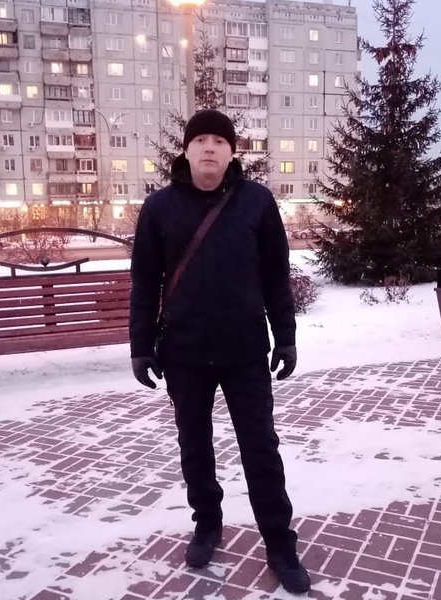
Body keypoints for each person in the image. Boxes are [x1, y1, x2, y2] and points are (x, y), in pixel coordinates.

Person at [129, 109, 310, 595]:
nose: (210, 147)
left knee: (260, 448)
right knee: (195, 446)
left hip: (244, 349)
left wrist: (286, 335)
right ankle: (207, 523)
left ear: (232, 152)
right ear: (187, 150)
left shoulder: (257, 202)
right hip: (184, 352)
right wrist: (140, 346)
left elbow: (276, 274)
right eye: (201, 139)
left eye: (220, 140)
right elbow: (144, 281)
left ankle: (280, 543)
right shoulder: (159, 207)